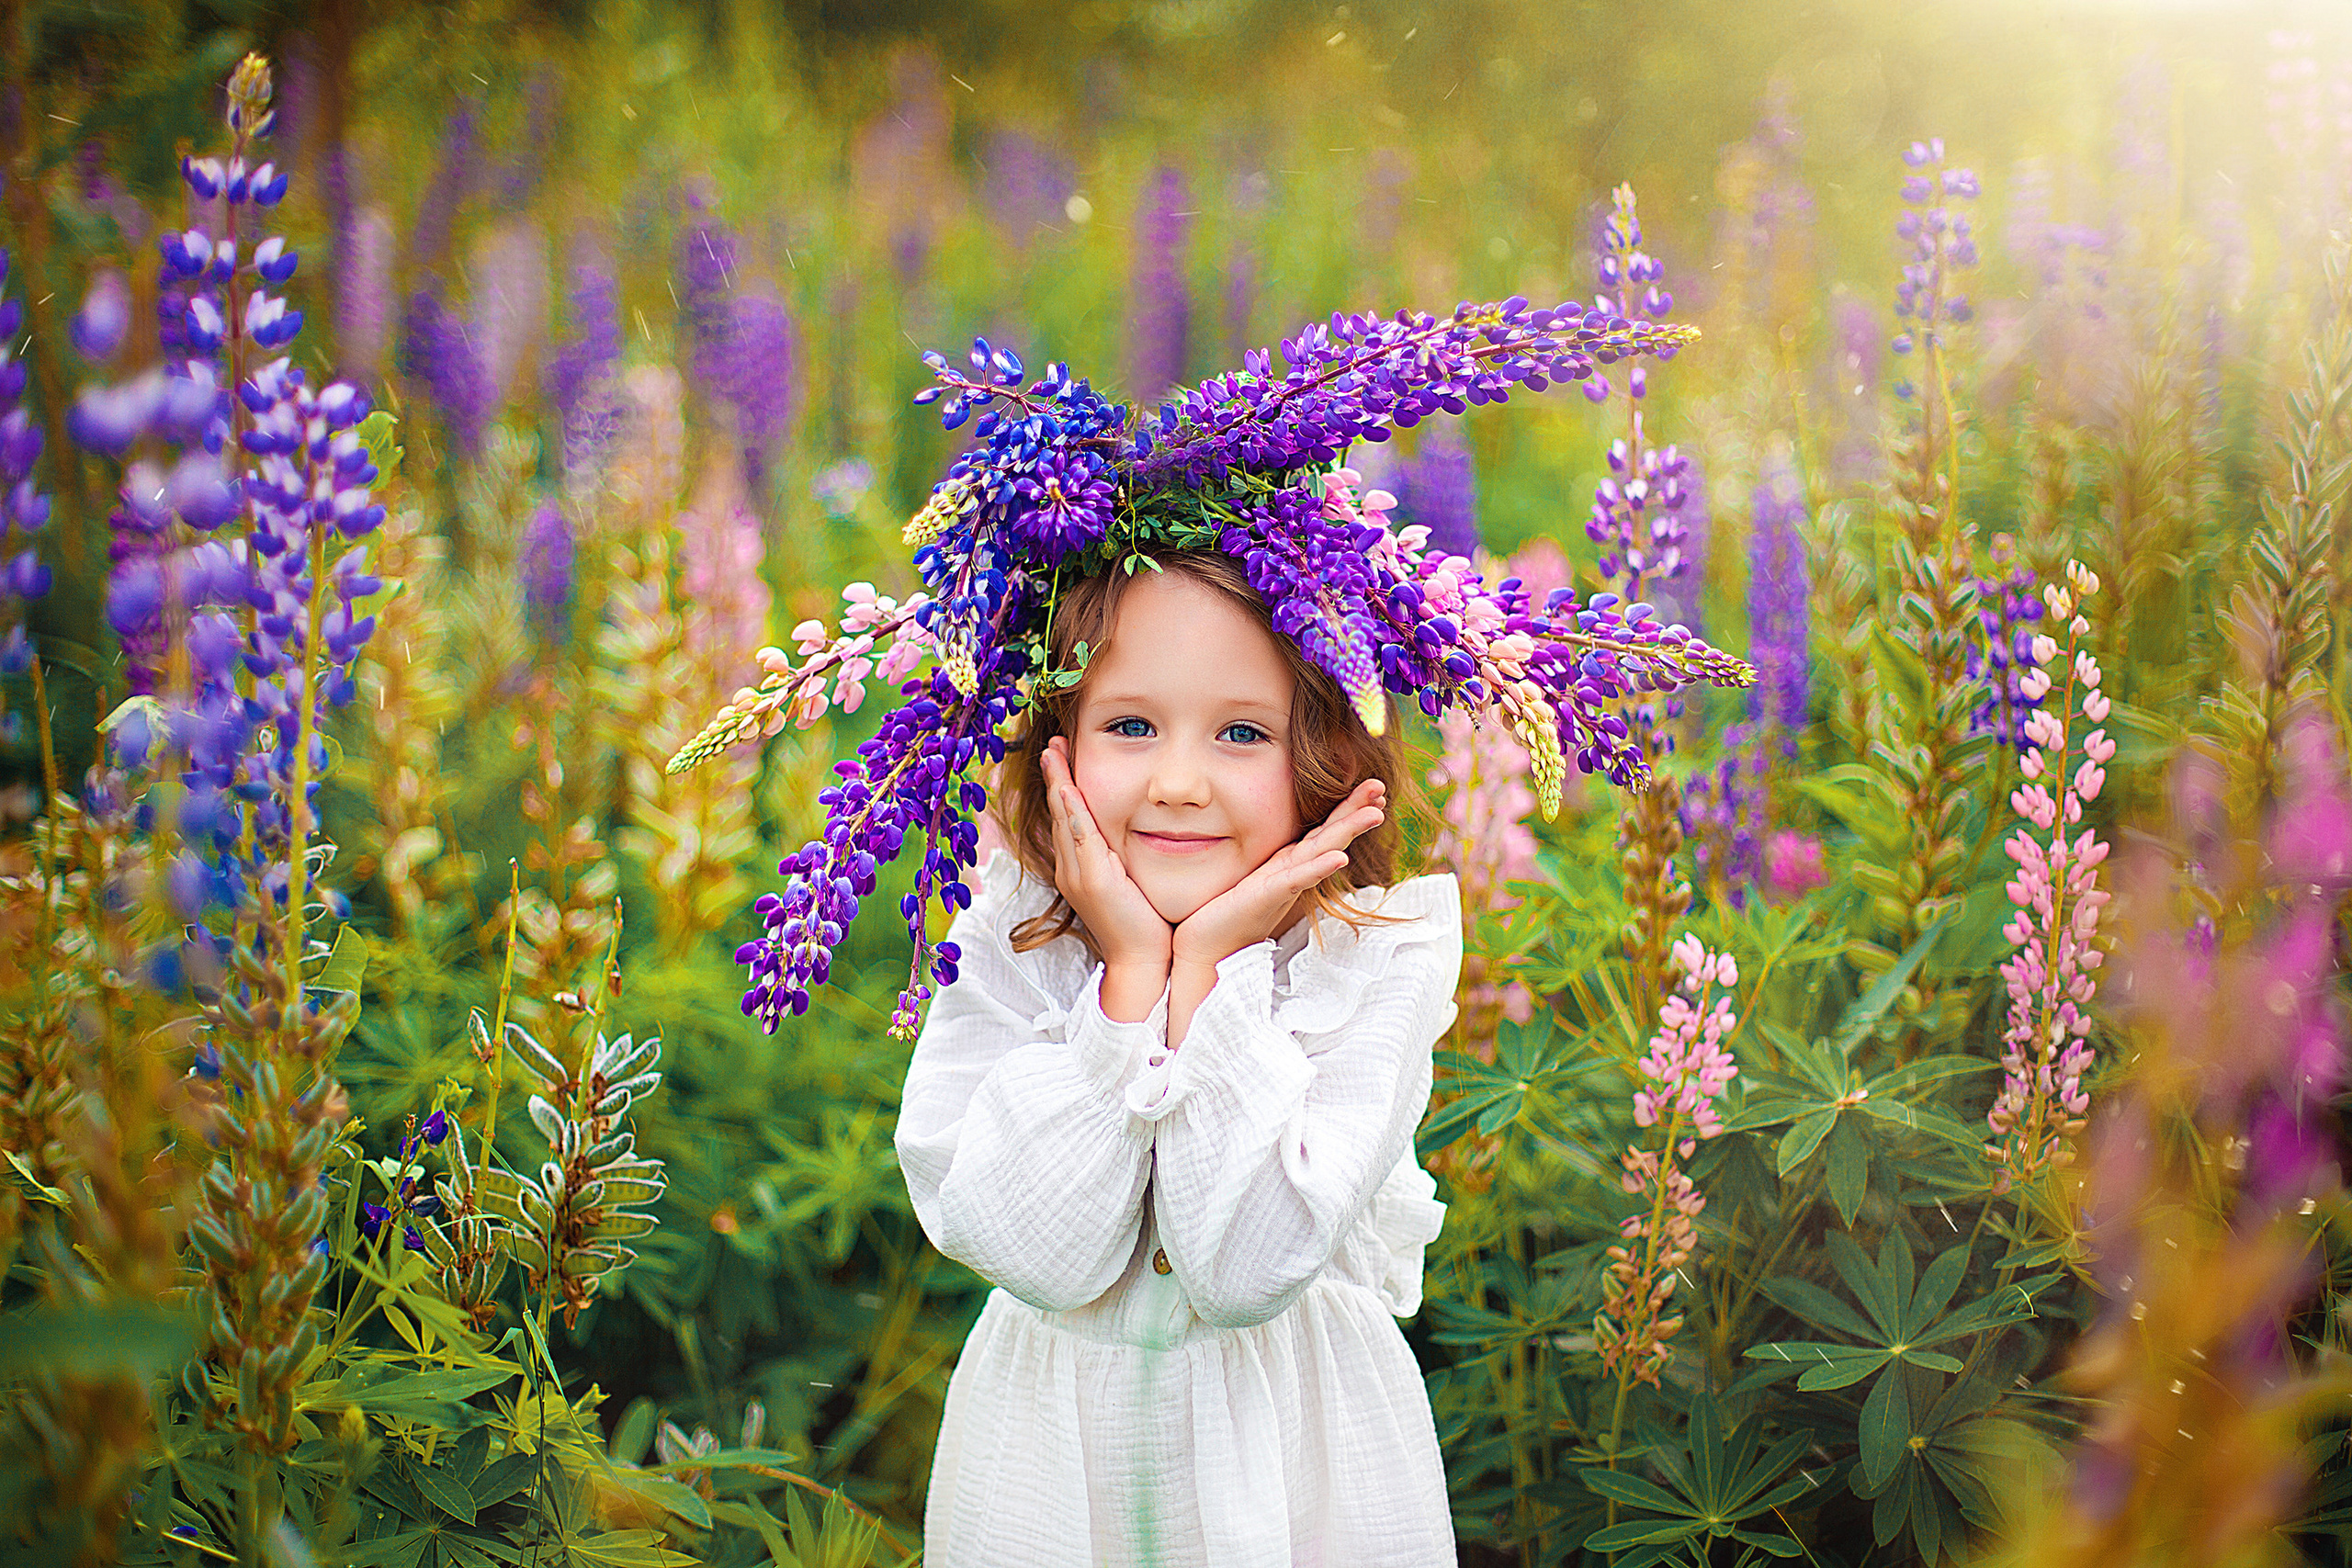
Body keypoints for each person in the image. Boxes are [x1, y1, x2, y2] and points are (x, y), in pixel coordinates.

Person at [895, 549, 1464, 1567]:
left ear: (1326, 757)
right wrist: (1126, 986)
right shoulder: (1005, 940)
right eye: (1129, 725)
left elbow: (1245, 1266)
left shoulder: (1373, 964)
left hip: (1299, 1491)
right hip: (1046, 1492)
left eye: (1242, 732)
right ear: (1056, 744)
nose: (1178, 783)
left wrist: (1208, 965)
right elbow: (1036, 1252)